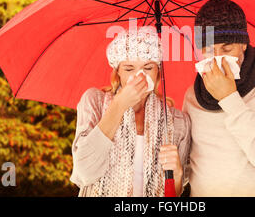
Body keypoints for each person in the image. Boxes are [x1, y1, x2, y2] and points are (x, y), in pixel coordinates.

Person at [182, 0, 255, 196]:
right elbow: (187, 170)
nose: (217, 57)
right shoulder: (193, 95)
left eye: (227, 49)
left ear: (243, 44)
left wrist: (229, 99)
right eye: (209, 50)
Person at [70, 26, 191, 197]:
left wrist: (177, 176)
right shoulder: (95, 102)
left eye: (148, 68)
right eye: (129, 69)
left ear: (158, 72)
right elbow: (83, 174)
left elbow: (173, 195)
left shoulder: (177, 122)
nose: (139, 76)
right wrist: (119, 105)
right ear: (117, 71)